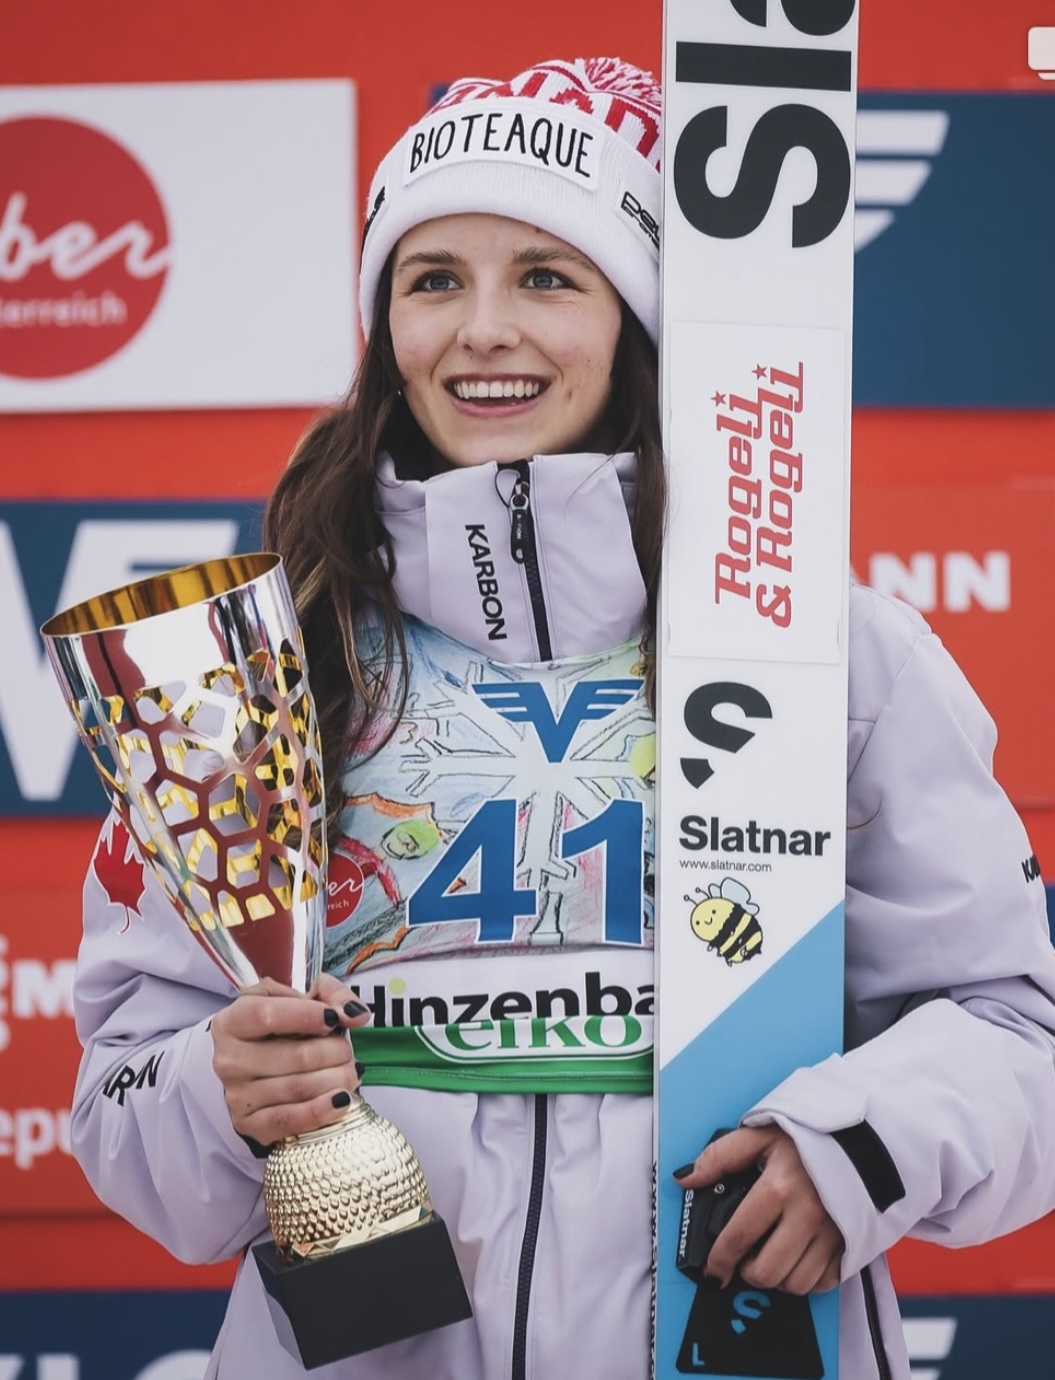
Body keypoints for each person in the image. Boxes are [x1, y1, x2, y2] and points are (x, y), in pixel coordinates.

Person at [68, 56, 1055, 1380]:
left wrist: (857, 1146)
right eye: (434, 280)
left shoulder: (830, 650)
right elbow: (129, 1115)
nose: (483, 328)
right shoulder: (271, 672)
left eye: (546, 276)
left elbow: (1014, 1030)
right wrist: (213, 1091)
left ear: (638, 316)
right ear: (384, 331)